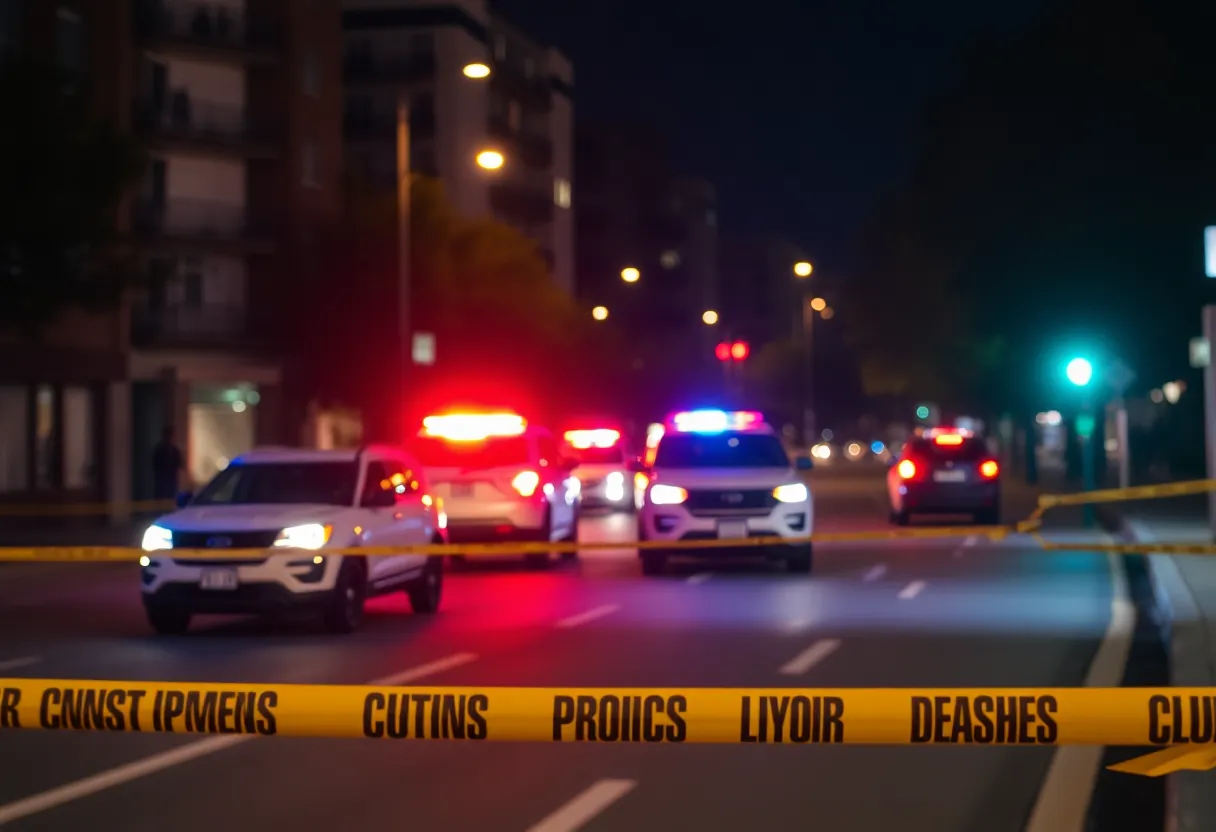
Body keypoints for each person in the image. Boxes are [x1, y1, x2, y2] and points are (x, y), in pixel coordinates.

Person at [152, 426, 183, 501]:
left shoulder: (174, 450)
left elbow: (180, 464)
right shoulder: (159, 450)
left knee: (170, 498)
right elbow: (155, 464)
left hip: (171, 480)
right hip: (162, 481)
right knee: (162, 498)